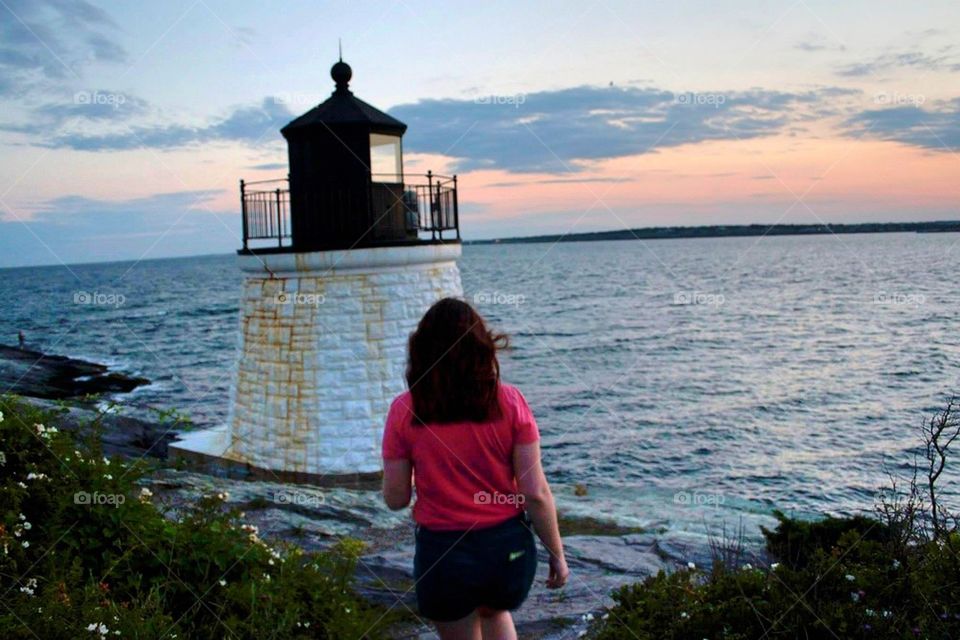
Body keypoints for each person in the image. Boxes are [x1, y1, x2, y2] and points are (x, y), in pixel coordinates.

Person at [382, 297, 568, 640]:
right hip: (508, 552)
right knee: (495, 610)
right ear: (482, 347)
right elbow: (535, 493)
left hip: (445, 554)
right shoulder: (511, 402)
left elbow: (395, 499)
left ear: (421, 349)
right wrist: (557, 554)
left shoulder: (404, 410)